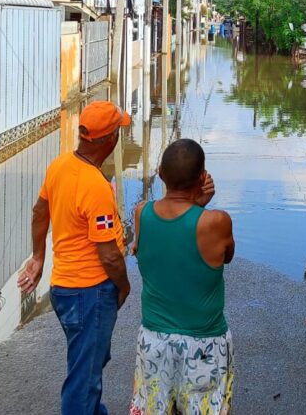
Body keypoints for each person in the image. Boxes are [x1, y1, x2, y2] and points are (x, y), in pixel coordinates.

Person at [18, 100, 132, 415]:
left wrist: (39, 257)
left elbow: (40, 211)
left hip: (65, 290)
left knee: (86, 363)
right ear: (109, 140)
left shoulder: (60, 165)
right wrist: (123, 287)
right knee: (83, 380)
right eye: (118, 130)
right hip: (90, 293)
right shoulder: (95, 186)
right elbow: (109, 255)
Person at [130, 138, 235, 415]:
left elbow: (157, 244)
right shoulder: (216, 222)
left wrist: (194, 203)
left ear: (161, 175)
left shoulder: (142, 213)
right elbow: (227, 255)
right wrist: (199, 205)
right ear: (202, 178)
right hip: (204, 345)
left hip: (153, 340)